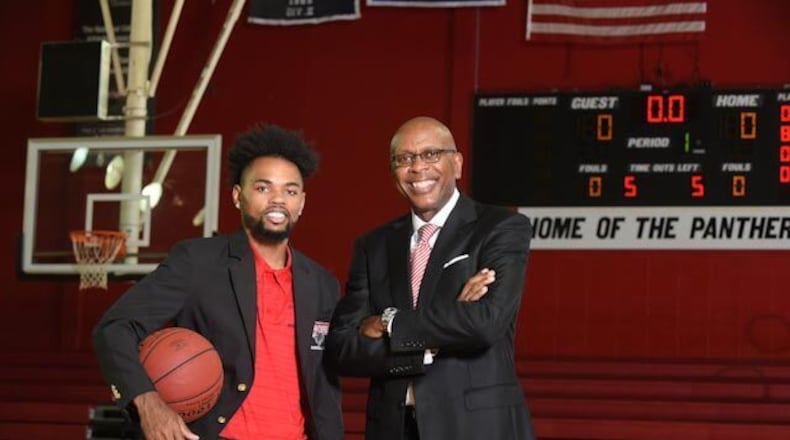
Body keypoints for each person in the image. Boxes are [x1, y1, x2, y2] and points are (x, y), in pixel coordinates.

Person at [94, 124, 343, 440]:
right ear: (238, 197)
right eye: (263, 188)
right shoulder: (198, 262)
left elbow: (324, 387)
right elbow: (114, 328)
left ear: (302, 203)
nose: (278, 199)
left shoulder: (323, 284)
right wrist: (148, 403)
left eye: (290, 190)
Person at [326, 116, 535, 440]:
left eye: (431, 154)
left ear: (457, 163)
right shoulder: (373, 245)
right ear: (393, 173)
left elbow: (485, 322)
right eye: (404, 158)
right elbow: (342, 346)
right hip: (393, 428)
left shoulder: (500, 227)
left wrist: (389, 322)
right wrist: (435, 334)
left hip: (476, 428)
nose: (417, 167)